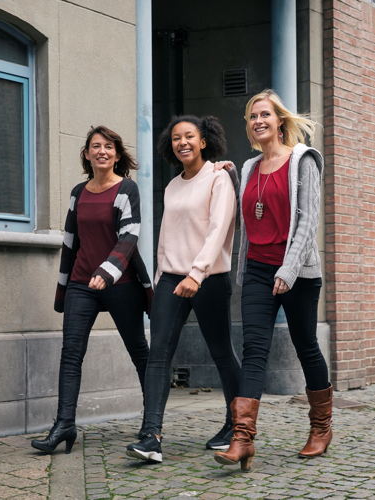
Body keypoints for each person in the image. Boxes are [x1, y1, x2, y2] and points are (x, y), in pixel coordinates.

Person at [214, 89, 332, 471]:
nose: (258, 121)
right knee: (253, 350)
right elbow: (251, 210)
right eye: (252, 116)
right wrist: (230, 175)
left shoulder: (303, 160)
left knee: (305, 345)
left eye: (264, 114)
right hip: (257, 269)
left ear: (280, 120)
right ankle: (242, 438)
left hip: (298, 272)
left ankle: (321, 428)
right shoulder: (249, 167)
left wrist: (288, 270)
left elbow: (308, 222)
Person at [125, 115, 241, 463]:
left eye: (189, 136)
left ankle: (238, 425)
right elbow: (167, 236)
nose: (183, 142)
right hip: (172, 279)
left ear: (204, 141)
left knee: (221, 351)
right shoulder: (173, 185)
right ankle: (151, 436)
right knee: (158, 353)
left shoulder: (219, 178)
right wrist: (160, 277)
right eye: (176, 138)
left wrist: (197, 273)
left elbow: (219, 229)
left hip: (209, 278)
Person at [32, 126, 152, 454]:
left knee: (139, 351)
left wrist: (106, 271)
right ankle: (64, 425)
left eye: (109, 146)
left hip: (121, 282)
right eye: (96, 146)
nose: (102, 151)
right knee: (71, 353)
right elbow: (70, 242)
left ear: (117, 154)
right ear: (87, 154)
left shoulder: (126, 189)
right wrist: (65, 285)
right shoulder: (78, 192)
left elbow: (129, 237)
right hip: (81, 283)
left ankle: (151, 424)